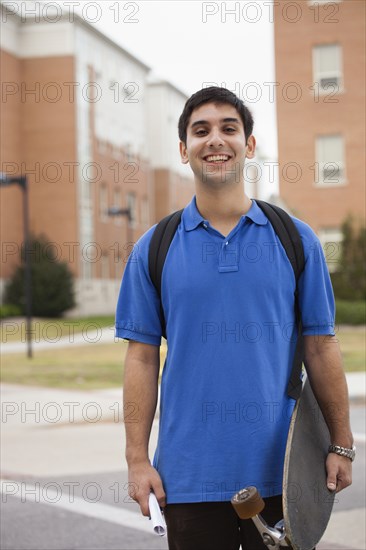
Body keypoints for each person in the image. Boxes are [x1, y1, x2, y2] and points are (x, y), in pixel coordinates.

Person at [115, 87, 353, 550]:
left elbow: (321, 346)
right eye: (200, 131)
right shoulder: (154, 248)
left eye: (229, 128)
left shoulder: (296, 240)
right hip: (187, 478)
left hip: (283, 474)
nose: (215, 140)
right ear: (184, 150)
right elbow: (141, 359)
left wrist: (340, 443)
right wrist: (136, 460)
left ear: (249, 145)